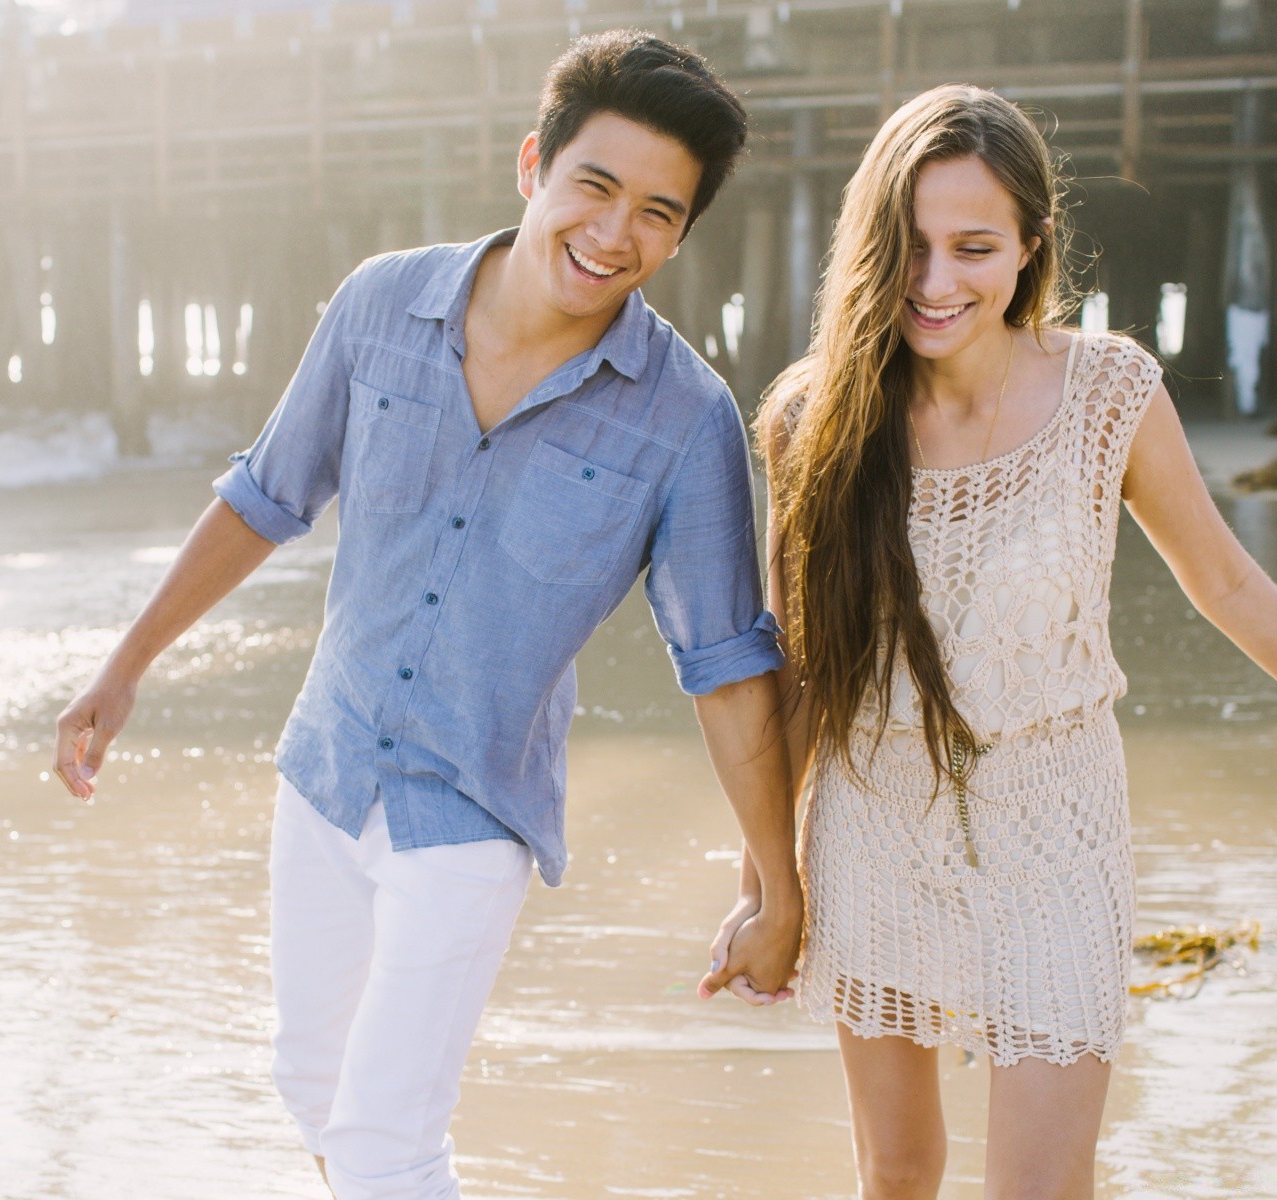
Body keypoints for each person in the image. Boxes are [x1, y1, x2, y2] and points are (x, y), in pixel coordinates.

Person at [52, 31, 802, 1200]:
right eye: (594, 188)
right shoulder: (378, 304)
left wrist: (777, 882)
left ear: (682, 232)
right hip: (326, 768)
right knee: (312, 1085)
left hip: (473, 810)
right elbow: (267, 495)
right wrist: (128, 662)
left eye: (658, 213)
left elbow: (725, 667)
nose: (614, 235)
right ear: (532, 168)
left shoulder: (684, 421)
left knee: (386, 1141)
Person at [707, 84, 1277, 1199]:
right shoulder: (814, 420)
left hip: (1058, 835)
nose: (936, 281)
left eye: (974, 246)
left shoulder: (1107, 392)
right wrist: (772, 888)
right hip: (874, 833)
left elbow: (1227, 581)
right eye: (910, 246)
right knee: (899, 1174)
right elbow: (803, 678)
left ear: (1030, 248)